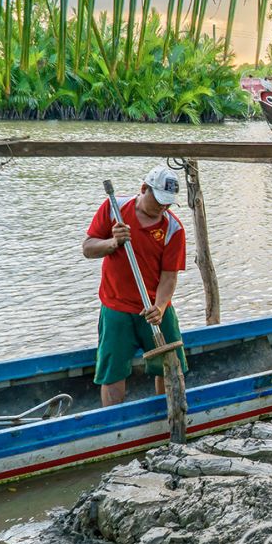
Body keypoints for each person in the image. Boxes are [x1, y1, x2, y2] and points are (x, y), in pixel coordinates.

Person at [83, 165, 189, 407]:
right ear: (143, 189)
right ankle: (115, 425)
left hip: (154, 310)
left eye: (168, 204)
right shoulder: (114, 209)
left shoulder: (173, 228)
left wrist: (160, 307)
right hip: (116, 307)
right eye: (159, 201)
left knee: (170, 365)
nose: (163, 208)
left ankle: (169, 414)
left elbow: (169, 277)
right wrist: (113, 242)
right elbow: (88, 248)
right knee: (112, 372)